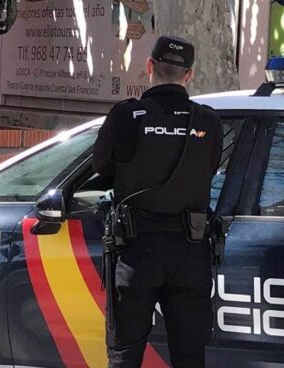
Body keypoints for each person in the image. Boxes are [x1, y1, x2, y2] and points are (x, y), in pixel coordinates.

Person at [93, 36, 223, 368]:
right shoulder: (208, 121)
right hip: (191, 253)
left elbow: (102, 170)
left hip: (137, 253)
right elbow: (209, 170)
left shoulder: (127, 116)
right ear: (190, 75)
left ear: (149, 66)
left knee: (125, 354)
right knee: (190, 355)